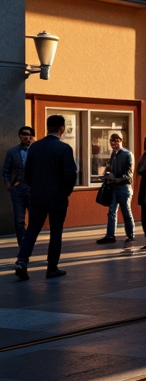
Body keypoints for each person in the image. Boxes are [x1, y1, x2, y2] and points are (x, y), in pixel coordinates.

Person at [14, 115, 77, 280]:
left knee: (32, 229)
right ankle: (52, 267)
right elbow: (71, 174)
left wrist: (35, 188)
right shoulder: (64, 149)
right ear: (62, 128)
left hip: (37, 196)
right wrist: (65, 192)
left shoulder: (34, 147)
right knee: (56, 231)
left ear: (47, 127)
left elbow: (27, 173)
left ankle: (22, 261)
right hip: (57, 197)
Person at [96, 132, 135, 248]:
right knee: (111, 211)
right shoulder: (113, 154)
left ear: (121, 140)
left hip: (124, 188)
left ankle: (131, 234)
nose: (113, 143)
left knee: (126, 211)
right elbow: (111, 168)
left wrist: (115, 178)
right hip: (113, 187)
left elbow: (129, 175)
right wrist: (106, 175)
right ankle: (110, 236)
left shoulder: (128, 154)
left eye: (115, 140)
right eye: (111, 141)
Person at [3, 126, 34, 249]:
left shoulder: (36, 150)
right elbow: (6, 170)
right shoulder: (12, 151)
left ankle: (29, 242)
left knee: (35, 218)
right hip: (18, 188)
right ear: (19, 136)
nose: (26, 137)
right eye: (24, 134)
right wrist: (8, 183)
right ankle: (23, 246)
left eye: (29, 135)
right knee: (19, 219)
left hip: (33, 188)